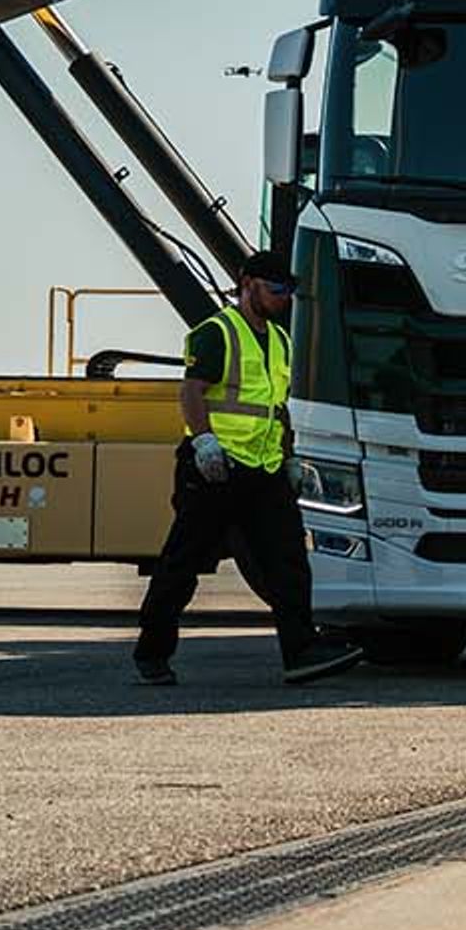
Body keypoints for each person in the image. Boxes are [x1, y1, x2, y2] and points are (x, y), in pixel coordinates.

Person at [135, 252, 360, 686]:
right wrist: (204, 442)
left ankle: (300, 651)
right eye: (276, 290)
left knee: (289, 562)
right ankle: (152, 652)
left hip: (265, 468)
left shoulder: (281, 341)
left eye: (288, 292)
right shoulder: (216, 333)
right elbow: (192, 391)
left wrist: (290, 456)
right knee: (181, 565)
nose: (283, 299)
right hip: (215, 468)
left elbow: (278, 409)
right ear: (249, 283)